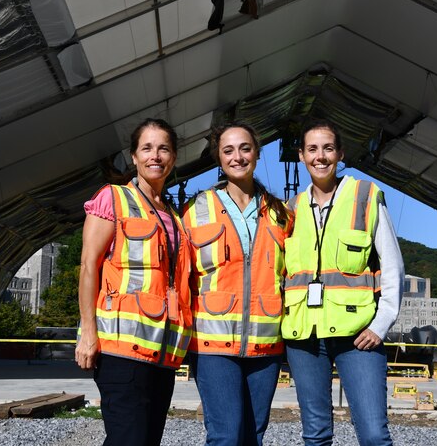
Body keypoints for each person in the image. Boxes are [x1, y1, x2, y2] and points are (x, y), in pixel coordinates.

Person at [282, 119, 405, 446]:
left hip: (358, 334)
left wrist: (381, 325)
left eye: (327, 148)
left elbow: (393, 266)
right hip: (305, 337)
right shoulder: (291, 210)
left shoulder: (364, 196)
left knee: (374, 435)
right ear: (301, 156)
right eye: (312, 149)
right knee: (316, 434)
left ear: (340, 154)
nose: (319, 156)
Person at [75, 118, 193, 446]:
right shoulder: (112, 199)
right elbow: (88, 267)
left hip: (162, 355)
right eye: (147, 148)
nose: (155, 155)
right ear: (134, 156)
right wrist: (88, 333)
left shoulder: (173, 214)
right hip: (122, 351)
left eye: (164, 149)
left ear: (174, 157)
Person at [183, 121, 292, 446]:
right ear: (218, 158)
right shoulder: (196, 210)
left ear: (257, 154)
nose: (237, 156)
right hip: (212, 346)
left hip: (266, 346)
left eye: (245, 148)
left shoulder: (281, 214)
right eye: (228, 150)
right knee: (225, 436)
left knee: (253, 436)